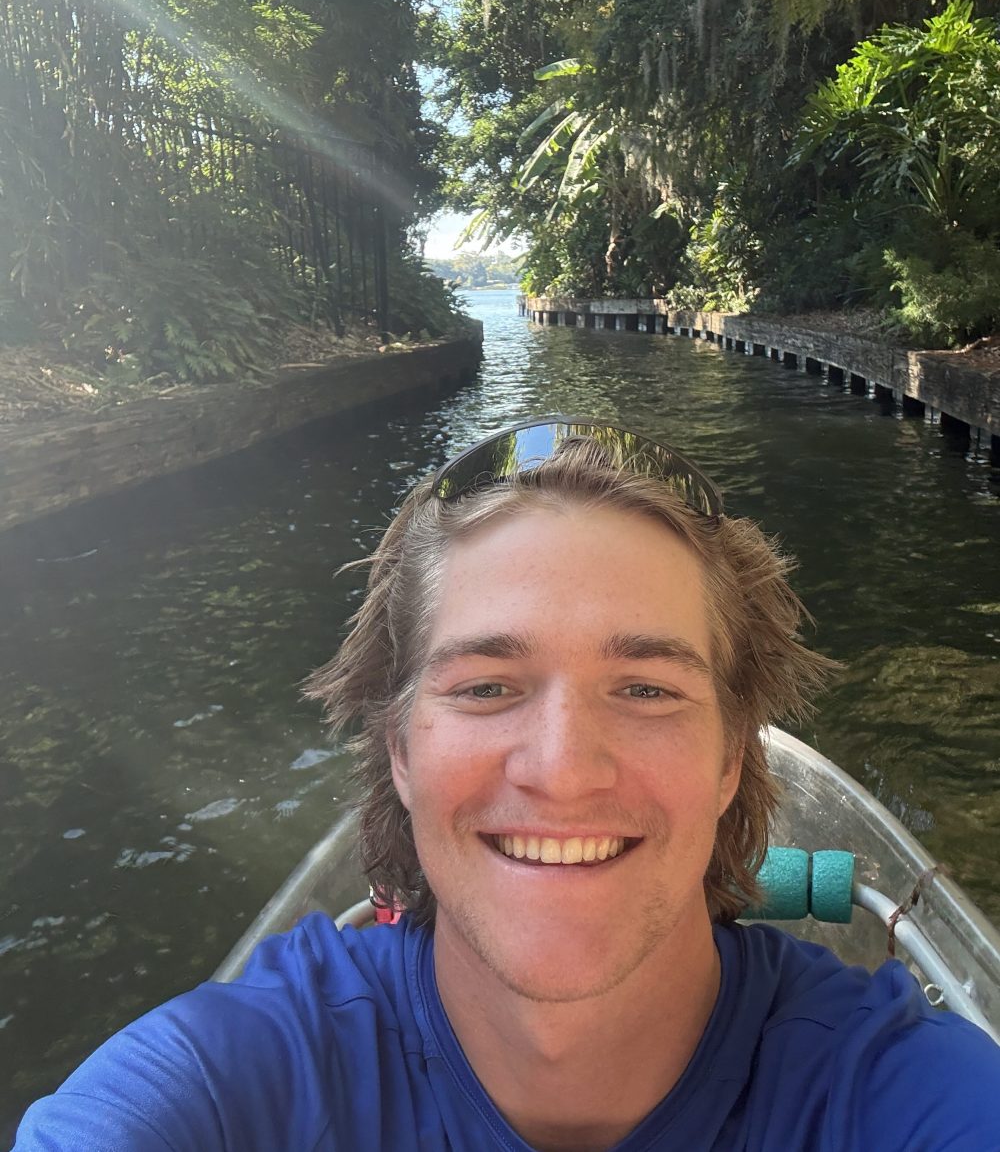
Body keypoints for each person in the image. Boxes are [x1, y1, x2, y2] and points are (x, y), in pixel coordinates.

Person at [11, 417, 1000, 1151]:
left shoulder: (901, 1100)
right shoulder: (225, 1086)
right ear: (399, 748)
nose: (563, 769)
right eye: (486, 686)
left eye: (647, 688)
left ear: (731, 755)